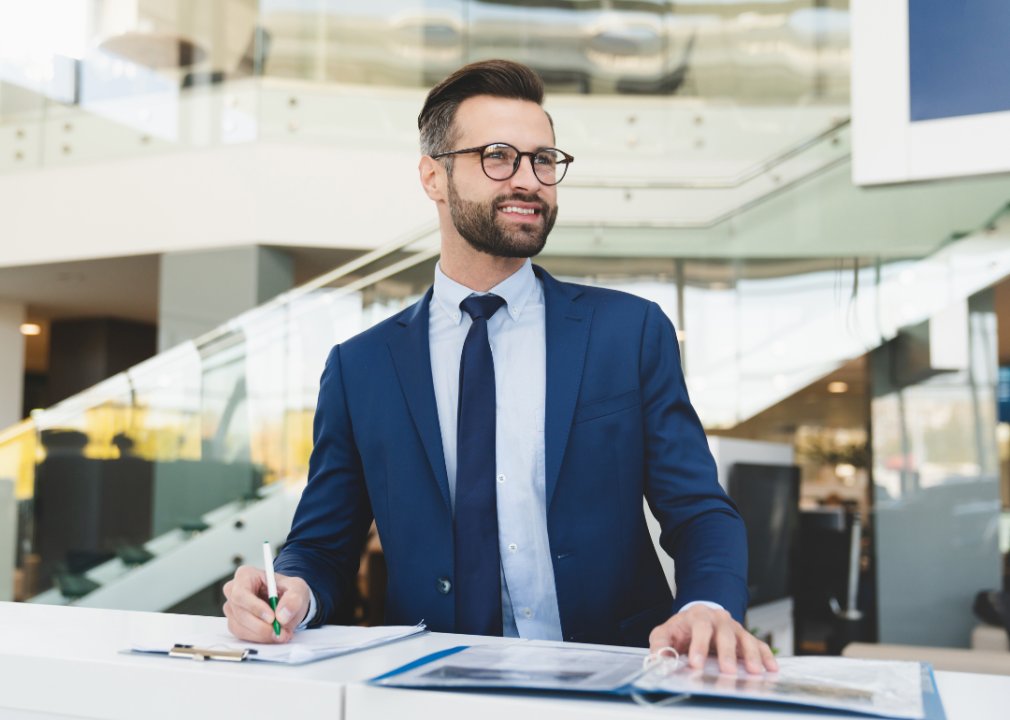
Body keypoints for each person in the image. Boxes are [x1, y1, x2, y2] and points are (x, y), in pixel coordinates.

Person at [223, 59, 777, 675]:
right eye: (498, 157)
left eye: (543, 160)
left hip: (614, 676)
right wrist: (292, 591)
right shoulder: (361, 367)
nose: (529, 180)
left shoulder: (629, 332)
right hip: (435, 685)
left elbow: (699, 510)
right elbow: (323, 546)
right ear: (433, 177)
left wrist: (708, 603)